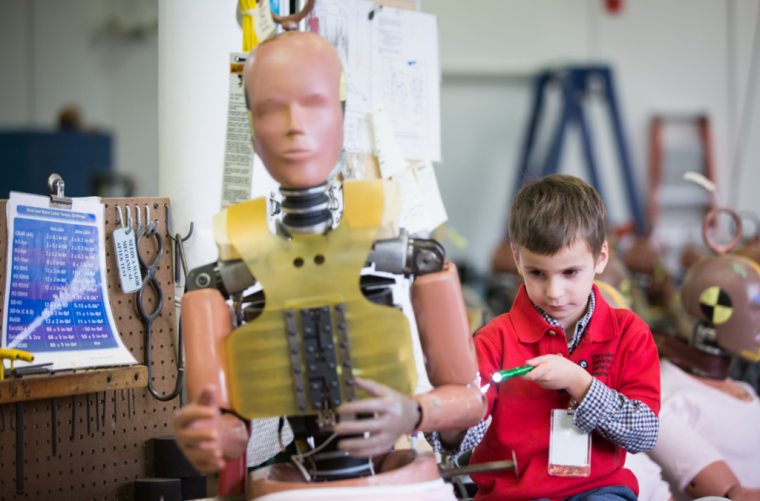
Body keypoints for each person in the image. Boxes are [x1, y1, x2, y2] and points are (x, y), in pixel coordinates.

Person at [429, 175, 661, 501]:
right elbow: (453, 442)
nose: (554, 292)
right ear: (516, 259)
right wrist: (452, 419)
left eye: (570, 273)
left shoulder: (630, 334)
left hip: (599, 492)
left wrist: (579, 382)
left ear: (601, 258)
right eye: (537, 273)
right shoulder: (492, 341)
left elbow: (644, 434)